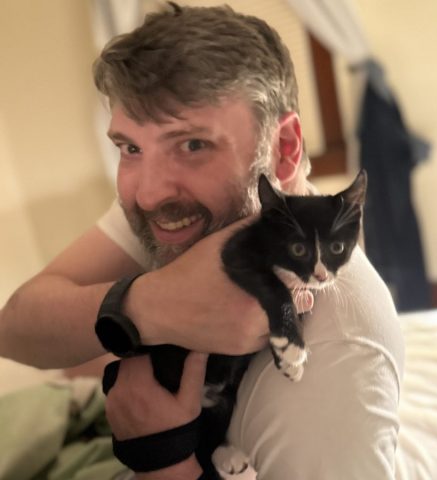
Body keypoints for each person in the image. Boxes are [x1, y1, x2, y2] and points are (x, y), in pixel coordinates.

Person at [0, 3, 404, 479]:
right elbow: (16, 327)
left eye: (192, 144)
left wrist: (161, 456)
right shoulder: (187, 215)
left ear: (284, 149)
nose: (148, 194)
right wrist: (148, 305)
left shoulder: (339, 356)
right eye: (130, 147)